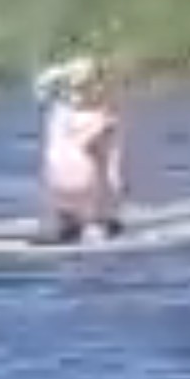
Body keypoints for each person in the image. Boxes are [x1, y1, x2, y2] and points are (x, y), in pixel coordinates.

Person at [36, 56, 124, 243]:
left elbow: (44, 88)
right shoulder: (100, 118)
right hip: (83, 184)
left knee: (70, 197)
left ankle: (68, 223)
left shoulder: (56, 113)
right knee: (101, 173)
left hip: (53, 182)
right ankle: (93, 225)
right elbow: (105, 157)